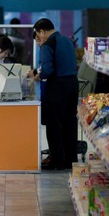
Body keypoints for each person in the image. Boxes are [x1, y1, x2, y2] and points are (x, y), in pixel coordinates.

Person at [27, 18, 79, 170]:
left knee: (54, 124)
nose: (39, 39)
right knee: (70, 123)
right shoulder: (68, 41)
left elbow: (47, 69)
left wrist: (37, 75)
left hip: (57, 87)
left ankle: (57, 161)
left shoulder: (48, 44)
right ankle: (71, 159)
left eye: (38, 35)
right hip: (72, 84)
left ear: (42, 31)